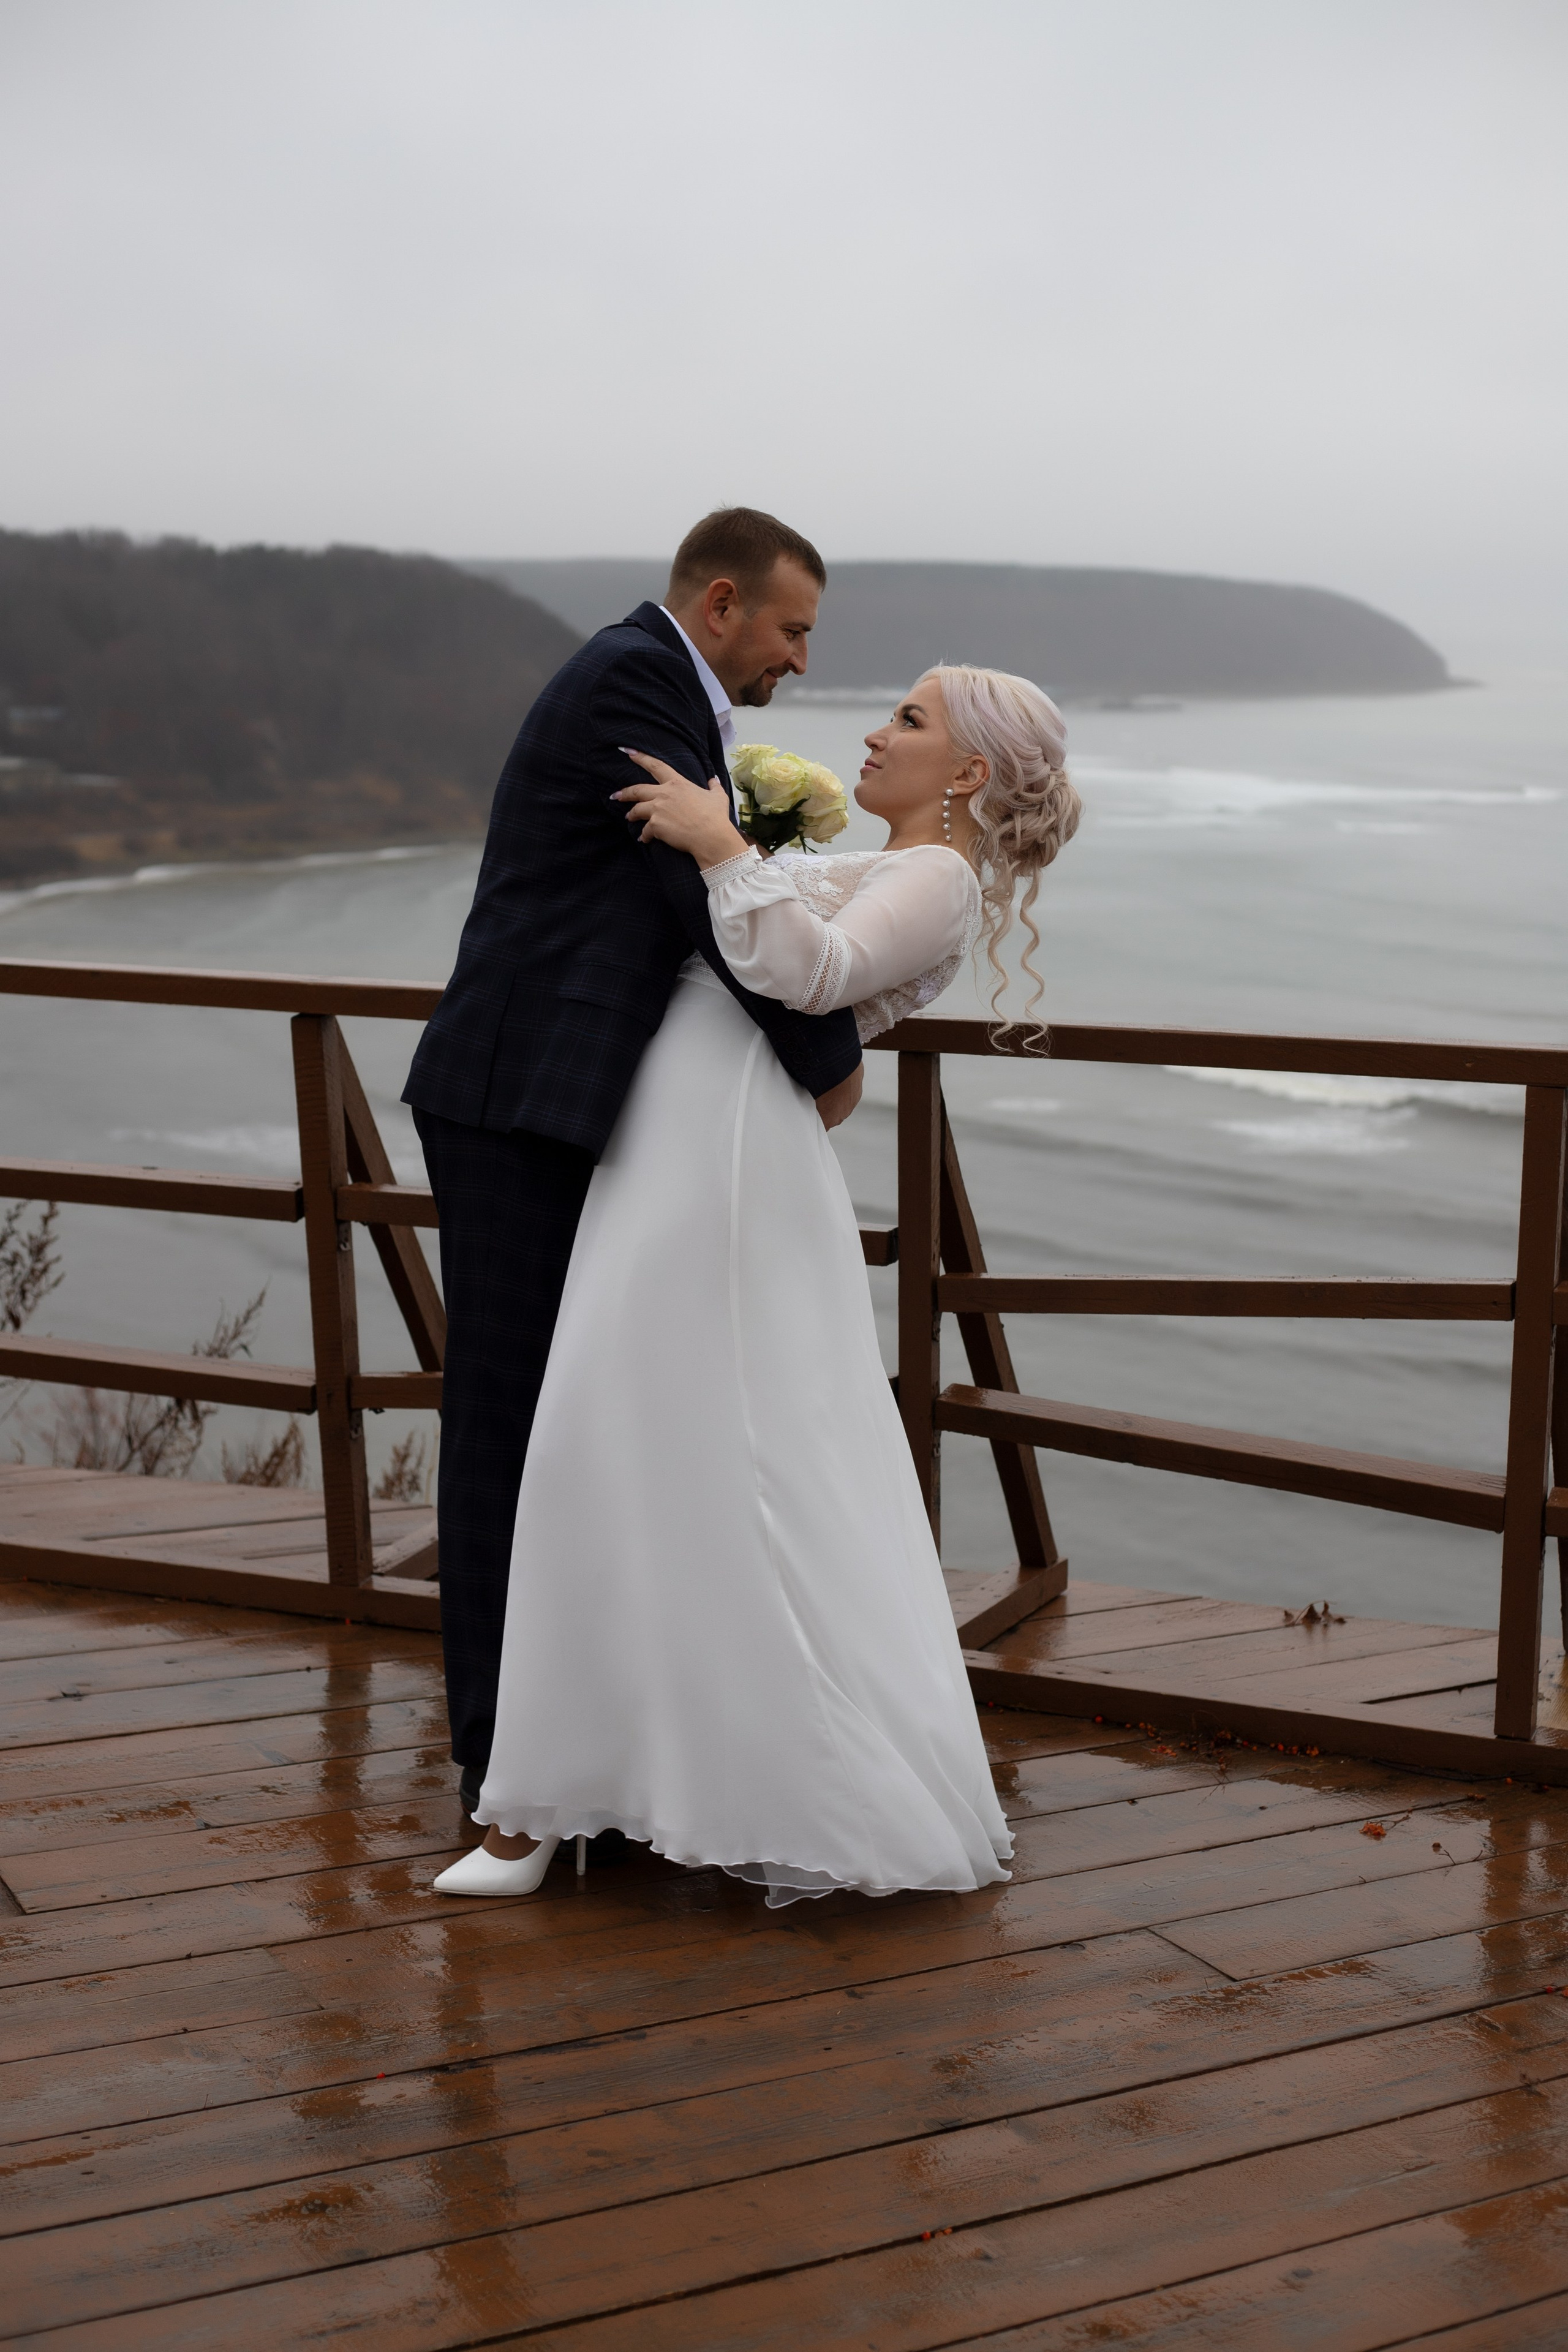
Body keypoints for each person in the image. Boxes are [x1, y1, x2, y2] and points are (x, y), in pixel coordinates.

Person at [434, 662, 1082, 1902]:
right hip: (670, 1137)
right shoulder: (887, 857)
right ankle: (557, 1795)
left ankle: (615, 1805)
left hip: (723, 1158)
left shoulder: (937, 878)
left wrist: (725, 846)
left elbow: (806, 976)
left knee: (670, 1444)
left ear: (965, 774)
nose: (873, 731)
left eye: (908, 719)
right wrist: (732, 853)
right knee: (611, 1449)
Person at [404, 509, 864, 1823]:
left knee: (568, 1419)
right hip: (515, 1100)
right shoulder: (634, 679)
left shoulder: (660, 681)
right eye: (790, 630)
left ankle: (576, 1731)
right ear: (721, 604)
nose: (797, 661)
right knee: (507, 1425)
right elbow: (690, 894)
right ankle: (498, 1757)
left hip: (550, 1098)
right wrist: (823, 1052)